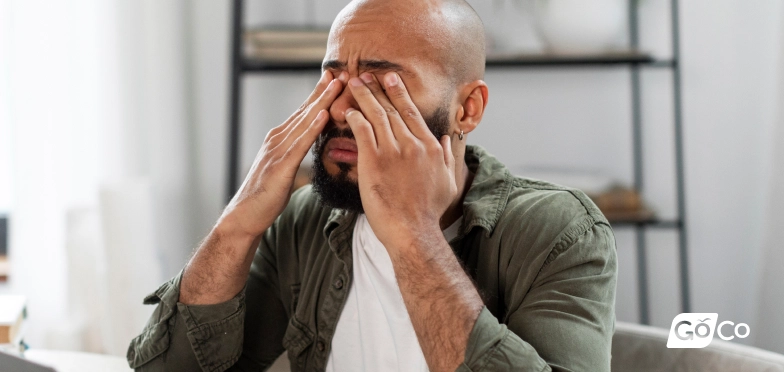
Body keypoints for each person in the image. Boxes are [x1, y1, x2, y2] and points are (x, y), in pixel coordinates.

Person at [127, 0, 618, 371]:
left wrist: (414, 233)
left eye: (382, 85)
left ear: (467, 109)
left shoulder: (559, 231)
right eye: (334, 77)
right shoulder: (305, 219)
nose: (340, 109)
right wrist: (237, 225)